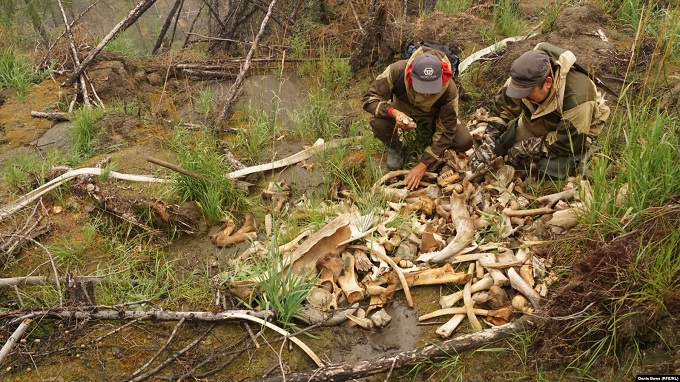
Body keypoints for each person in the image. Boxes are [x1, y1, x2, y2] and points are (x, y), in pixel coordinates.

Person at [470, 42, 611, 179]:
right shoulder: (522, 78)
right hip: (537, 119)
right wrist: (488, 141)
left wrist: (528, 147)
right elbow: (502, 108)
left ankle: (588, 153)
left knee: (550, 168)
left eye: (527, 92)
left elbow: (567, 142)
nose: (522, 96)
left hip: (575, 132)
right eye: (519, 92)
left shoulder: (578, 97)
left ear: (548, 83)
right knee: (500, 148)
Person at [363, 46, 473, 190]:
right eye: (422, 88)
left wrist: (424, 164)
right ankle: (395, 147)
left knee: (464, 140)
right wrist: (394, 113)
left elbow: (447, 130)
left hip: (433, 117)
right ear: (411, 77)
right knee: (379, 123)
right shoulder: (396, 71)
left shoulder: (449, 88)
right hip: (402, 108)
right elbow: (369, 100)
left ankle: (429, 138)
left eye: (432, 89)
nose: (426, 94)